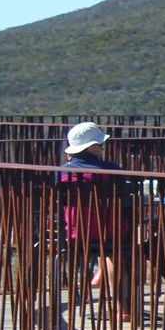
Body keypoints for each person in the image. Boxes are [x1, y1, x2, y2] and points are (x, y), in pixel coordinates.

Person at [57, 122, 128, 318]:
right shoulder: (113, 171)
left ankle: (73, 302)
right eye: (99, 145)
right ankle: (123, 307)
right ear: (92, 147)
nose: (102, 148)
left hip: (75, 234)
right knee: (120, 250)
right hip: (111, 234)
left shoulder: (63, 172)